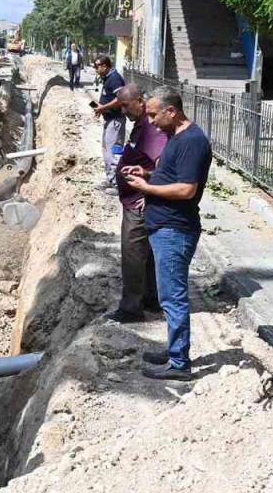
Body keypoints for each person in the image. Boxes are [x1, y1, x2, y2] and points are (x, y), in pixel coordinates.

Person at [122, 87, 213, 381]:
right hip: (164, 227)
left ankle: (179, 363)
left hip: (175, 230)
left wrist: (147, 188)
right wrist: (147, 174)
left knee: (173, 298)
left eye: (153, 115)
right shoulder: (177, 137)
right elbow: (171, 174)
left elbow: (186, 189)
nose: (150, 121)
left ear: (171, 111)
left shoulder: (193, 142)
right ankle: (174, 350)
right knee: (167, 297)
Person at [104, 83, 169, 324]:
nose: (123, 111)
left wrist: (150, 193)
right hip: (134, 199)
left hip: (138, 203)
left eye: (125, 106)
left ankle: (131, 309)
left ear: (140, 101)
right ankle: (151, 298)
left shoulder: (151, 130)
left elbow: (163, 164)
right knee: (146, 253)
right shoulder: (142, 124)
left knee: (133, 253)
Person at [88, 56, 126, 192]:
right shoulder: (107, 78)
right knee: (106, 151)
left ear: (105, 66)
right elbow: (109, 97)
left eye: (97, 66)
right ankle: (111, 179)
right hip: (109, 119)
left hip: (115, 121)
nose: (95, 69)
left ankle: (117, 184)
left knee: (113, 152)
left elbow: (121, 99)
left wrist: (103, 108)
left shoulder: (115, 78)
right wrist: (100, 109)